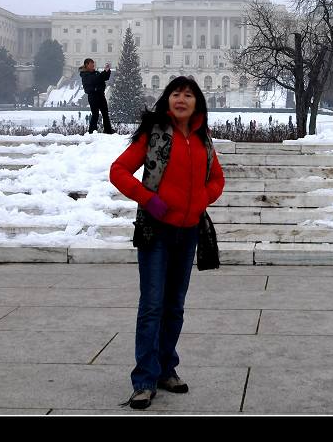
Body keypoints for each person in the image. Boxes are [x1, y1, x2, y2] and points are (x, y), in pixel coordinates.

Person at [108, 76, 225, 410]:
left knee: (174, 306)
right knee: (152, 306)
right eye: (176, 93)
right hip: (156, 231)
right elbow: (118, 171)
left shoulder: (203, 138)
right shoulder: (153, 134)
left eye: (188, 94)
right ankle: (144, 379)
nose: (181, 99)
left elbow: (217, 179)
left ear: (197, 102)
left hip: (188, 232)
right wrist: (149, 199)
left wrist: (203, 197)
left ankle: (165, 369)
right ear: (167, 99)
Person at [79, 58, 115, 134]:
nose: (93, 66)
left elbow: (104, 78)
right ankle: (92, 131)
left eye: (93, 64)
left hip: (101, 95)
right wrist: (103, 74)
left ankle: (108, 130)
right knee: (95, 114)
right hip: (93, 96)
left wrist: (107, 71)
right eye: (91, 64)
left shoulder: (96, 73)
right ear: (87, 65)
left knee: (105, 113)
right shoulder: (85, 75)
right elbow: (94, 79)